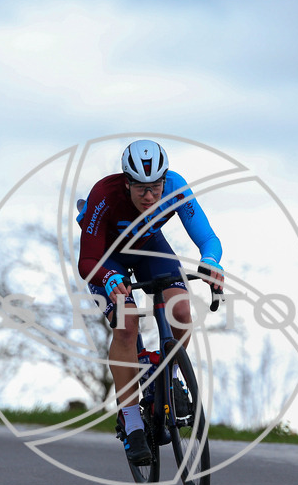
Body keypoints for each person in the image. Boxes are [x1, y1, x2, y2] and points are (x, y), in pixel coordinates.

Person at [76, 139, 225, 465]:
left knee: (182, 310)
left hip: (149, 249)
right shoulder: (105, 194)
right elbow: (87, 261)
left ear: (165, 180)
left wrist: (211, 260)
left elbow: (207, 237)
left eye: (155, 187)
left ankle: (165, 380)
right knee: (126, 324)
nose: (149, 196)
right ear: (126, 182)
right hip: (107, 260)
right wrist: (109, 279)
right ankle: (131, 423)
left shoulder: (175, 187)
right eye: (141, 189)